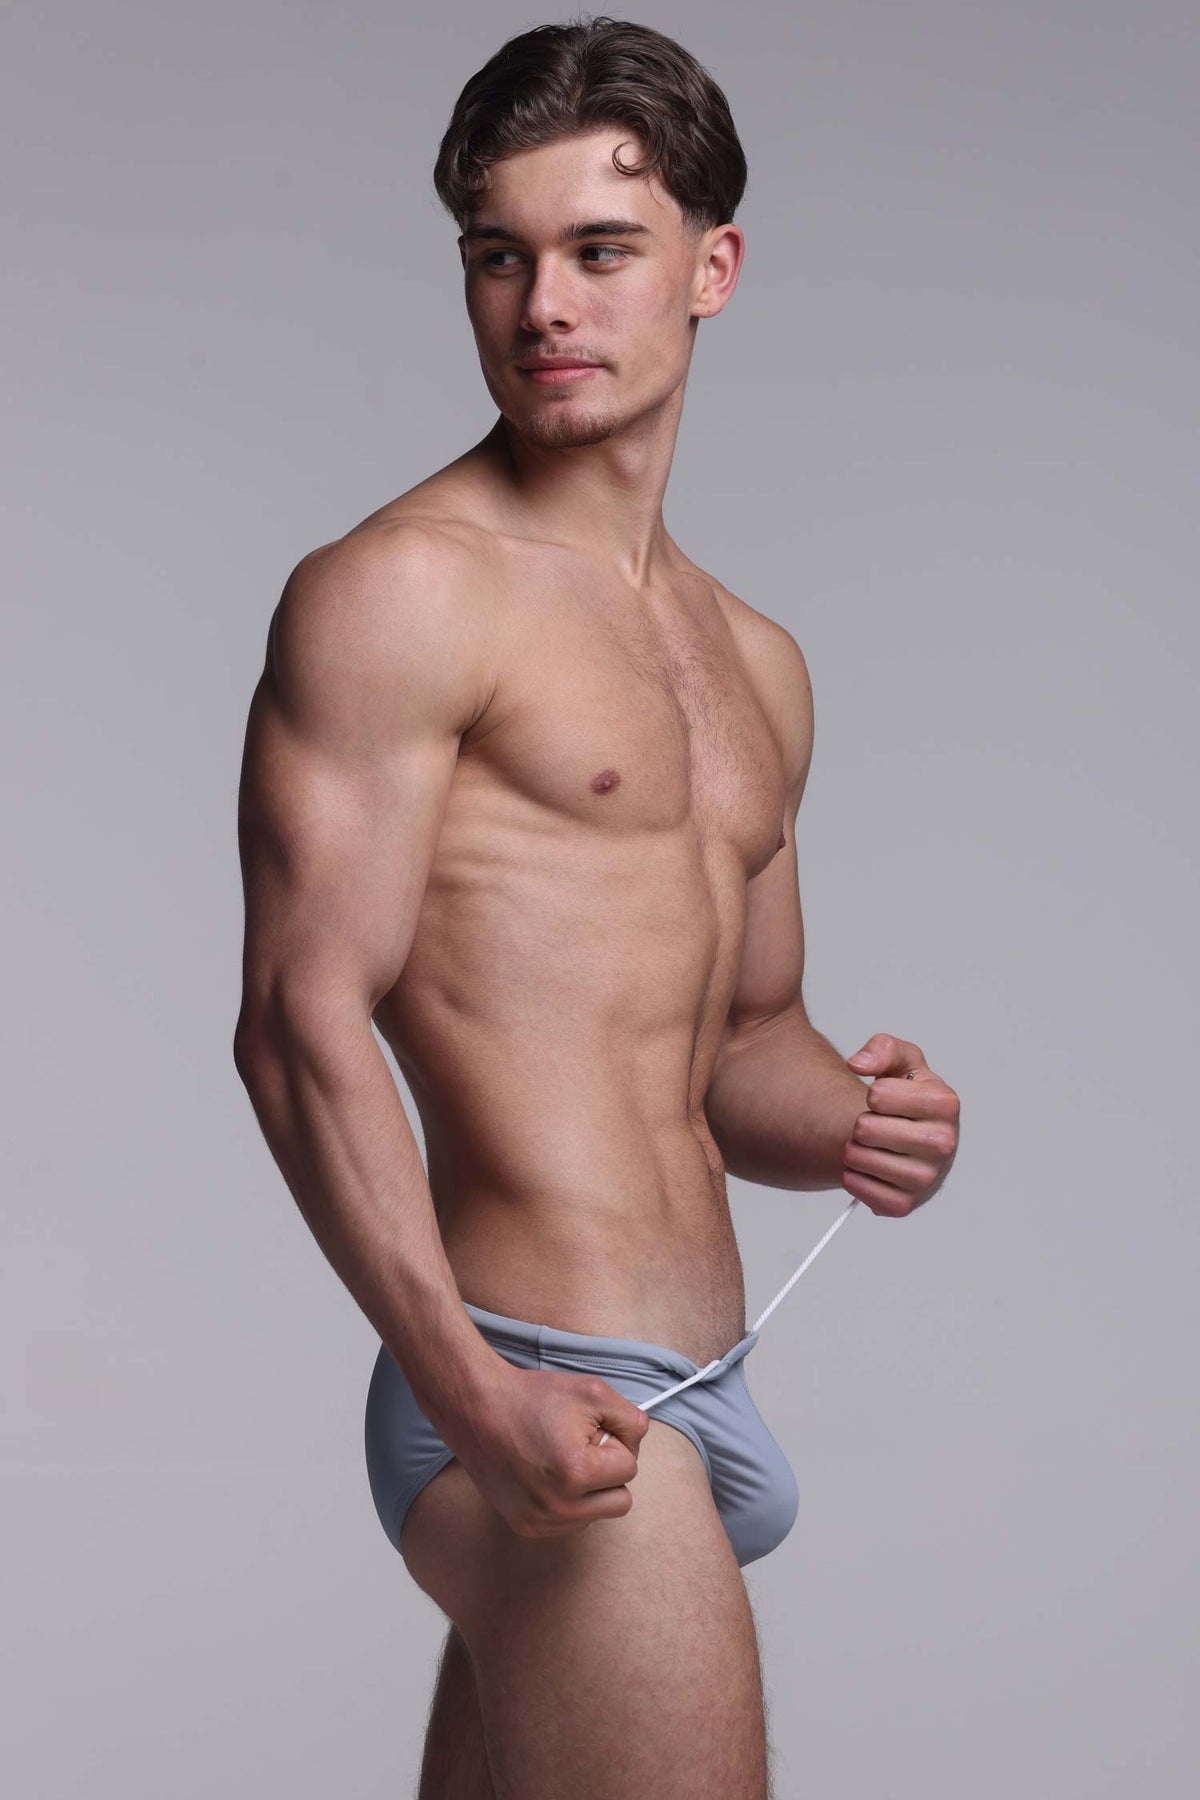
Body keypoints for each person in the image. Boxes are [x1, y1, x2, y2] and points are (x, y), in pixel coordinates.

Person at [233, 17, 960, 1798]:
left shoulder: (754, 663)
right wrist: (469, 1393)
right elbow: (298, 1025)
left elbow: (740, 1047)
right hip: (530, 1371)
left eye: (601, 251)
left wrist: (861, 1120)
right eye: (501, 256)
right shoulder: (402, 594)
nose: (543, 305)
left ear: (713, 268)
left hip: (701, 1375)